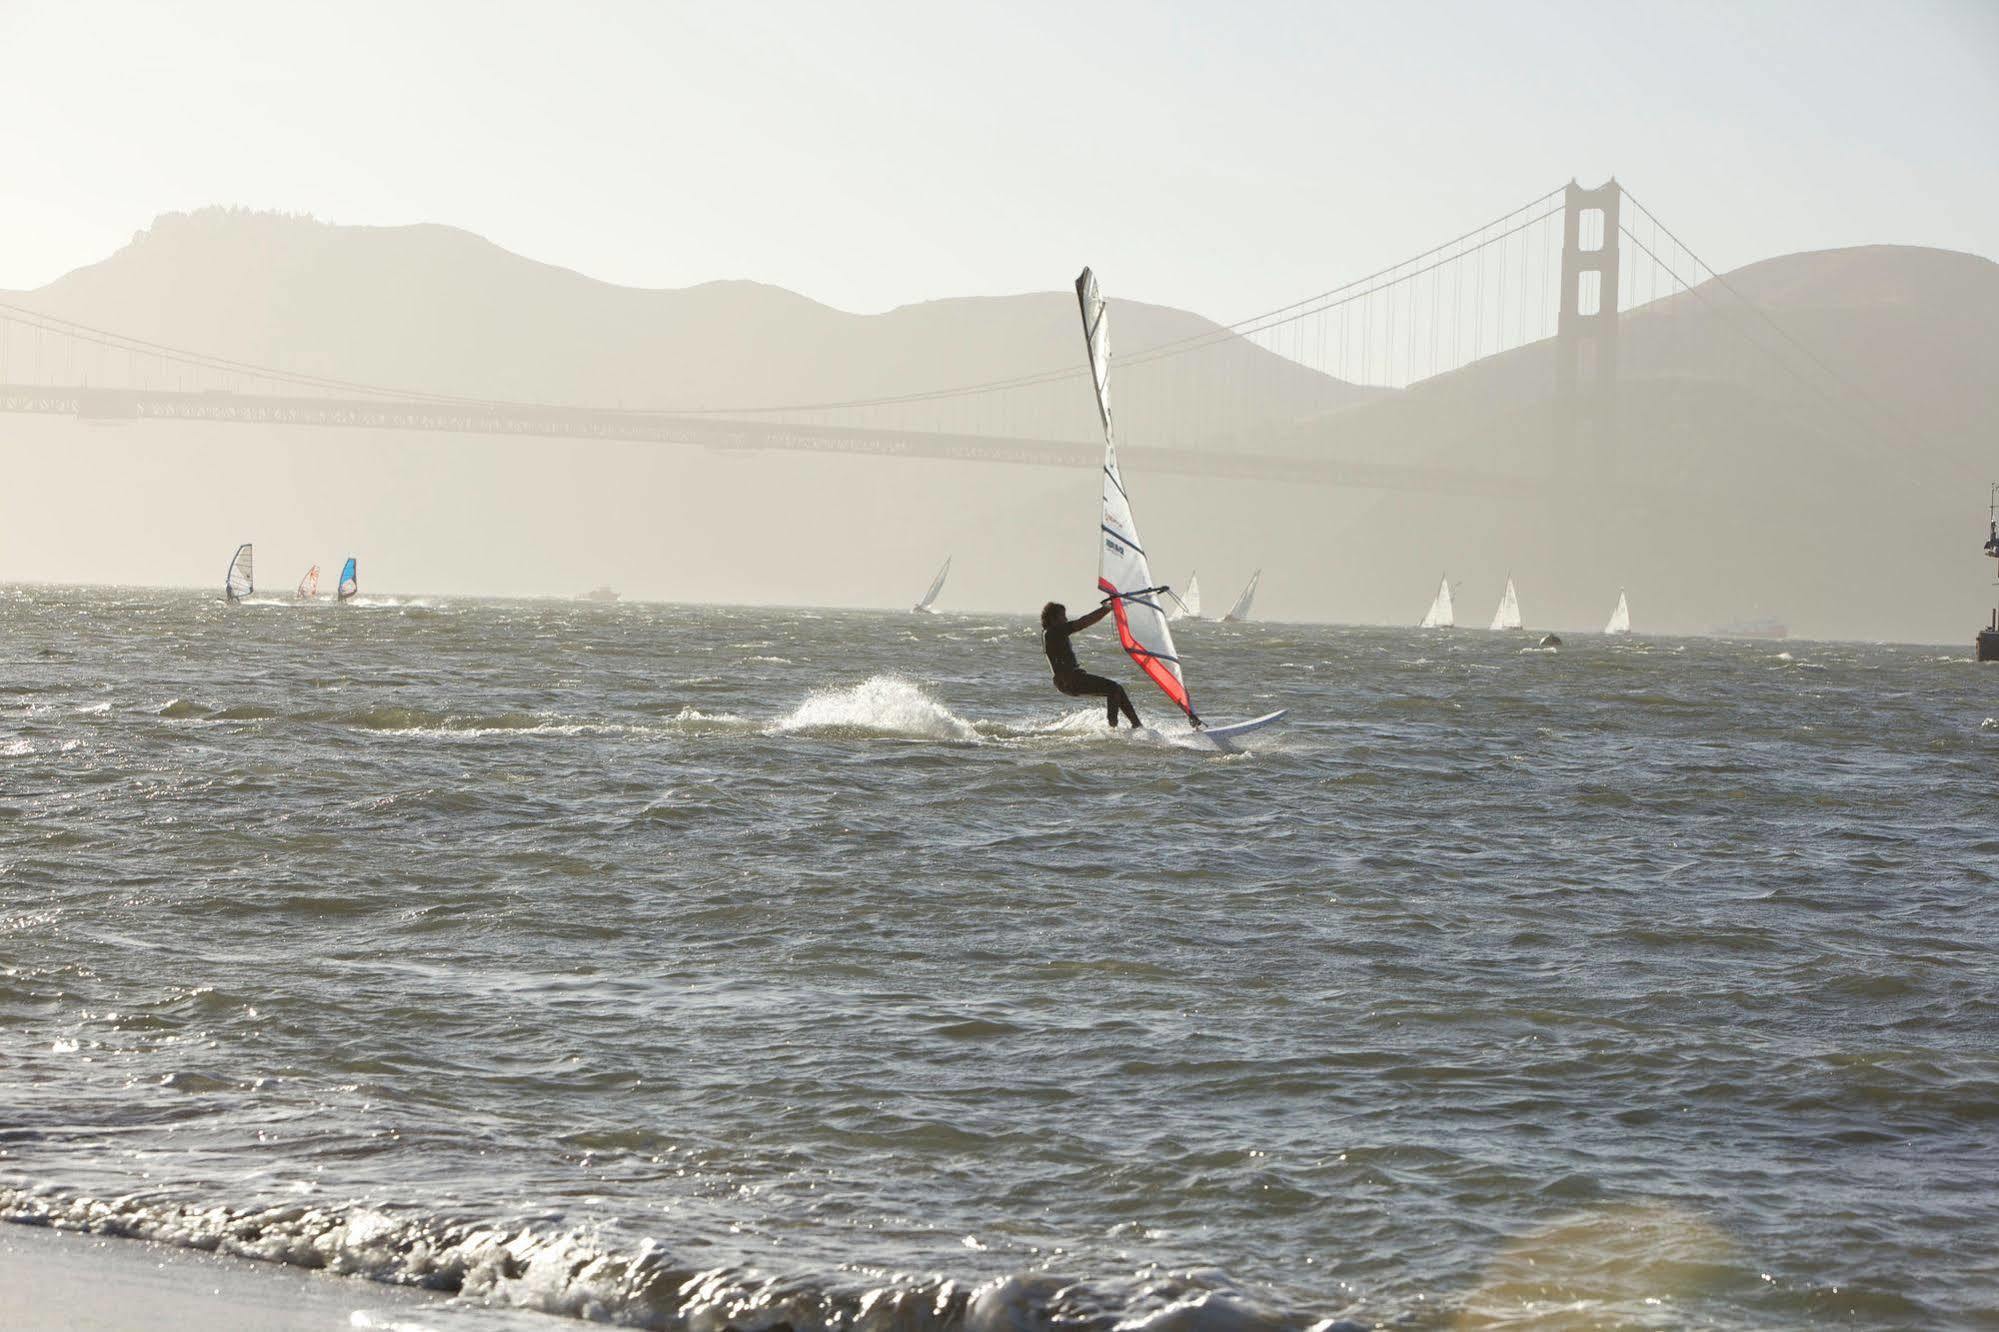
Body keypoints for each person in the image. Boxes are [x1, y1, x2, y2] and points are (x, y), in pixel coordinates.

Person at [1041, 601, 1142, 728]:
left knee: (1117, 690)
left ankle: (1136, 725)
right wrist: (1108, 608)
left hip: (1068, 681)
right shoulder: (1053, 632)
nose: (1066, 619)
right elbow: (1083, 622)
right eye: (1063, 616)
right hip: (1070, 680)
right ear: (1053, 619)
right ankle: (1113, 728)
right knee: (1114, 688)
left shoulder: (1051, 633)